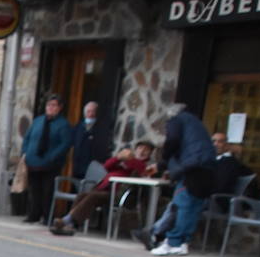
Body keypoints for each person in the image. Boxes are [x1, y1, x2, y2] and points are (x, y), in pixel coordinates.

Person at [148, 103, 216, 257]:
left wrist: (164, 158)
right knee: (193, 207)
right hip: (207, 169)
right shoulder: (196, 125)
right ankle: (183, 242)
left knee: (182, 205)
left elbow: (172, 140)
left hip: (191, 168)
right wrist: (161, 165)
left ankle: (173, 242)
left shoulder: (177, 120)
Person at [50, 141, 157, 236]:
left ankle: (67, 221)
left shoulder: (144, 165)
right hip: (104, 187)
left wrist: (130, 159)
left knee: (93, 196)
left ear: (150, 153)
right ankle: (71, 224)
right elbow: (106, 166)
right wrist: (118, 158)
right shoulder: (124, 160)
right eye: (140, 148)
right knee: (82, 196)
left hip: (118, 192)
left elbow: (141, 170)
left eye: (146, 150)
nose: (142, 151)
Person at [20, 93, 72, 224]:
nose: (50, 108)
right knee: (34, 190)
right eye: (49, 105)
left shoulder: (63, 124)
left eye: (54, 105)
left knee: (47, 191)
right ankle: (33, 214)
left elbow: (66, 143)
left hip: (50, 164)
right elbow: (27, 138)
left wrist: (52, 156)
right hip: (33, 161)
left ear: (60, 108)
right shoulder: (38, 121)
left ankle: (47, 217)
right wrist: (25, 152)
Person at [70, 100, 111, 176]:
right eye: (88, 111)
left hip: (93, 164)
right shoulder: (78, 127)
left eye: (93, 111)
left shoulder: (102, 128)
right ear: (85, 113)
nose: (91, 114)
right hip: (79, 165)